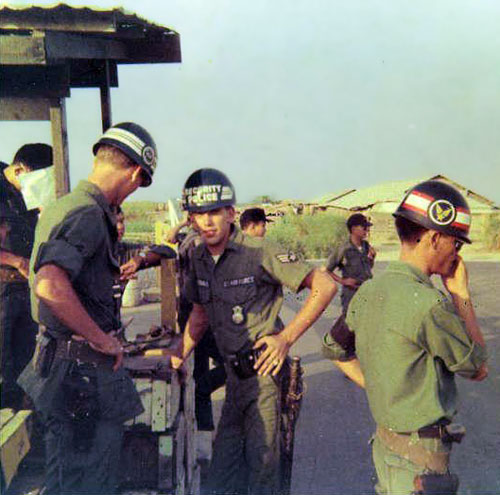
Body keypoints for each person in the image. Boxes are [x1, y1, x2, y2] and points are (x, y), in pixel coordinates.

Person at [172, 168, 337, 495]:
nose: (207, 222)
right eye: (199, 215)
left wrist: (285, 338)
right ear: (191, 219)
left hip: (262, 378)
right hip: (234, 380)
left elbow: (325, 284)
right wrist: (177, 356)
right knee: (220, 476)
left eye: (215, 213)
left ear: (231, 213)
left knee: (262, 475)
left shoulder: (259, 250)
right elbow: (200, 314)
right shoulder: (200, 257)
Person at [18, 122, 158, 494]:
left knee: (72, 477)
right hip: (79, 378)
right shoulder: (88, 215)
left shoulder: (66, 205)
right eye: (138, 184)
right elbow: (49, 283)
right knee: (85, 482)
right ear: (134, 172)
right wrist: (103, 339)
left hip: (70, 371)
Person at [345, 180, 488, 495]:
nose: (456, 254)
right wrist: (461, 295)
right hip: (419, 462)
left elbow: (335, 348)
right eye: (457, 244)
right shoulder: (431, 304)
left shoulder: (369, 290)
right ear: (435, 238)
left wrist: (382, 386)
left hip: (387, 446)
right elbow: (477, 368)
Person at [0, 143, 53, 409]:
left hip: (25, 289)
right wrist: (14, 260)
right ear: (19, 170)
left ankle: (22, 428)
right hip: (3, 291)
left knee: (24, 366)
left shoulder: (25, 191)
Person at [322, 213, 375, 385]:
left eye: (367, 227)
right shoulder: (344, 249)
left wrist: (372, 259)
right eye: (363, 227)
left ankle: (358, 361)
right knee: (350, 326)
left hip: (367, 291)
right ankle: (347, 361)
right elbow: (327, 270)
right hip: (351, 294)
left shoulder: (367, 247)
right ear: (353, 229)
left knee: (366, 326)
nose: (367, 230)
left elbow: (367, 268)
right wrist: (343, 281)